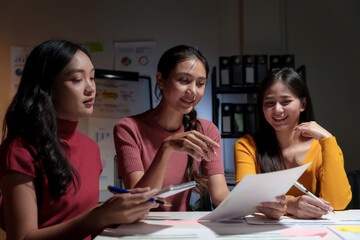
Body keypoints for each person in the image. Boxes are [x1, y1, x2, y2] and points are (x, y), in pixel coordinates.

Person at [0, 40, 159, 240]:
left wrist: (120, 214)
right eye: (77, 79)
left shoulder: (90, 148)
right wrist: (99, 216)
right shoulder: (19, 148)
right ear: (47, 87)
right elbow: (22, 237)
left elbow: (81, 224)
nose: (91, 88)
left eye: (92, 77)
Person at [114, 45, 286, 219]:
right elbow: (138, 203)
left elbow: (219, 197)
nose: (193, 91)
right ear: (161, 80)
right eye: (184, 80)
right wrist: (166, 149)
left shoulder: (206, 130)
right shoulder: (128, 128)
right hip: (139, 228)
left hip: (184, 228)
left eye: (200, 83)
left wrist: (260, 204)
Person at [234, 68, 352, 219]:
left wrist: (328, 140)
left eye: (286, 101)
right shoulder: (246, 146)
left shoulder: (323, 147)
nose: (277, 110)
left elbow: (338, 203)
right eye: (269, 103)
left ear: (303, 104)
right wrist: (290, 205)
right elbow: (244, 196)